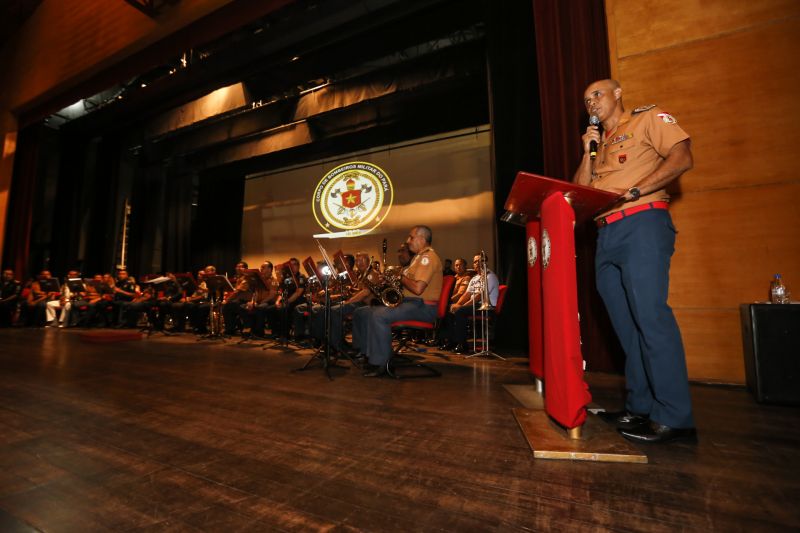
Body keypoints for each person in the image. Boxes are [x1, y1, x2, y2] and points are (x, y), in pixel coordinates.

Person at [573, 78, 695, 444]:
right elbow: (578, 194)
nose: (591, 103)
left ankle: (676, 417)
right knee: (627, 327)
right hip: (605, 234)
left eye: (597, 94)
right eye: (586, 100)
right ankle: (640, 408)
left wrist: (637, 189)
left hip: (642, 222)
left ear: (618, 94)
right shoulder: (599, 144)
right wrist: (586, 152)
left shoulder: (646, 119)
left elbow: (683, 156)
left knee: (650, 318)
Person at [351, 225, 443, 377]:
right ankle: (366, 353)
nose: (408, 241)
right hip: (411, 303)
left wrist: (399, 276)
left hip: (423, 307)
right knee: (363, 312)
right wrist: (388, 279)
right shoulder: (418, 258)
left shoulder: (428, 258)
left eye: (411, 237)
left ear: (422, 239)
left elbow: (418, 288)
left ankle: (382, 363)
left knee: (379, 315)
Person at [440, 253, 499, 354]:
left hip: (486, 307)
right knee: (449, 310)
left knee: (460, 312)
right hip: (474, 305)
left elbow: (479, 296)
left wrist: (461, 306)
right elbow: (466, 294)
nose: (476, 263)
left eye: (479, 261)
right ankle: (452, 341)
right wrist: (457, 304)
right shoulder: (475, 278)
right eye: (475, 261)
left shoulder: (490, 276)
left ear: (485, 262)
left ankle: (463, 345)